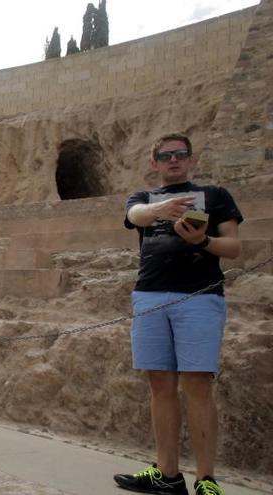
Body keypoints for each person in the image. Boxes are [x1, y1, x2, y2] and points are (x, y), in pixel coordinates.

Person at [114, 134, 242, 495]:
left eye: (180, 154)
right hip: (150, 296)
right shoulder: (143, 199)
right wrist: (159, 210)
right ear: (154, 162)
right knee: (159, 384)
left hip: (200, 298)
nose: (173, 160)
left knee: (198, 384)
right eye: (165, 156)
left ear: (190, 159)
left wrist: (201, 242)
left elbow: (233, 247)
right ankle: (167, 474)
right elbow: (134, 215)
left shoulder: (216, 196)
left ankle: (206, 480)